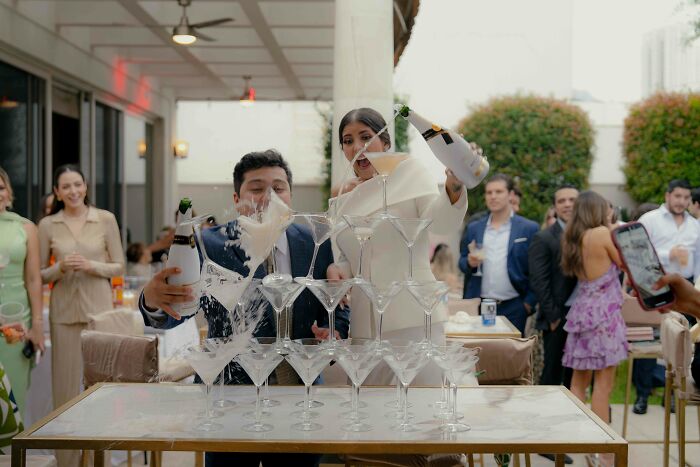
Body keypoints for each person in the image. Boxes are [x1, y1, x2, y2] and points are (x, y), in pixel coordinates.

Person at [139, 149, 348, 467]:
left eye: (278, 187)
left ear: (290, 195)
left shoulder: (318, 242)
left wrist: (335, 329)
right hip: (228, 397)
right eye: (256, 188)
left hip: (298, 395)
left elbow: (338, 304)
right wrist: (152, 299)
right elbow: (175, 312)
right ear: (237, 199)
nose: (269, 196)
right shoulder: (208, 244)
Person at [330, 107, 467, 385]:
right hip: (363, 327)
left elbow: (440, 222)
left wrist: (453, 186)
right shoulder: (341, 201)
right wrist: (338, 268)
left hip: (415, 318)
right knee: (367, 414)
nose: (358, 147)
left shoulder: (411, 173)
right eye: (348, 140)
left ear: (386, 142)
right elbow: (349, 258)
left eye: (366, 137)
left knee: (421, 410)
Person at [38, 164, 124, 467]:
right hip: (62, 315)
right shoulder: (48, 225)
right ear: (57, 192)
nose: (73, 191)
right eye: (66, 187)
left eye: (78, 184)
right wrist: (60, 268)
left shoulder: (105, 219)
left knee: (99, 391)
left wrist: (91, 266)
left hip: (98, 313)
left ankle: (98, 459)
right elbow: (39, 274)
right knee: (64, 390)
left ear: (85, 187)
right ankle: (67, 462)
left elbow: (119, 265)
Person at [561, 191, 626, 462]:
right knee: (603, 386)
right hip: (604, 316)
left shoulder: (573, 237)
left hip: (581, 312)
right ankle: (603, 450)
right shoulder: (602, 233)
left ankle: (582, 442)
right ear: (597, 211)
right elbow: (624, 264)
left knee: (579, 383)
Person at [460, 173, 538, 334]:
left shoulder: (528, 228)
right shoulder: (475, 228)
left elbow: (537, 271)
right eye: (489, 192)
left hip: (514, 306)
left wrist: (528, 303)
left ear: (510, 195)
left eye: (498, 192)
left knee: (512, 357)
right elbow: (461, 262)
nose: (493, 196)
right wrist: (468, 262)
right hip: (478, 305)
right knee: (480, 354)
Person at [0, 167, 45, 415]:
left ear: (9, 192)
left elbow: (33, 279)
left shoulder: (26, 227)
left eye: (1, 187)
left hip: (16, 322)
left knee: (13, 396)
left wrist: (37, 324)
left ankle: (9, 454)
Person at [529, 185, 579, 389]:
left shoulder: (589, 234)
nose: (567, 204)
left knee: (576, 375)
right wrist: (554, 318)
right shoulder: (544, 238)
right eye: (561, 201)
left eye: (572, 200)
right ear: (555, 207)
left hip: (584, 316)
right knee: (552, 374)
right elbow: (539, 281)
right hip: (558, 316)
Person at [628, 201, 665, 415]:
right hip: (644, 300)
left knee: (669, 350)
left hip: (666, 297)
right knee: (647, 348)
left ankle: (664, 393)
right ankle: (643, 393)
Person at [638, 179, 699, 293]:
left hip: (687, 286)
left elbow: (698, 256)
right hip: (655, 284)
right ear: (667, 196)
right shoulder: (648, 220)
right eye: (678, 196)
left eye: (686, 198)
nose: (682, 201)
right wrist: (668, 255)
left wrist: (696, 285)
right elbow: (638, 254)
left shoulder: (694, 224)